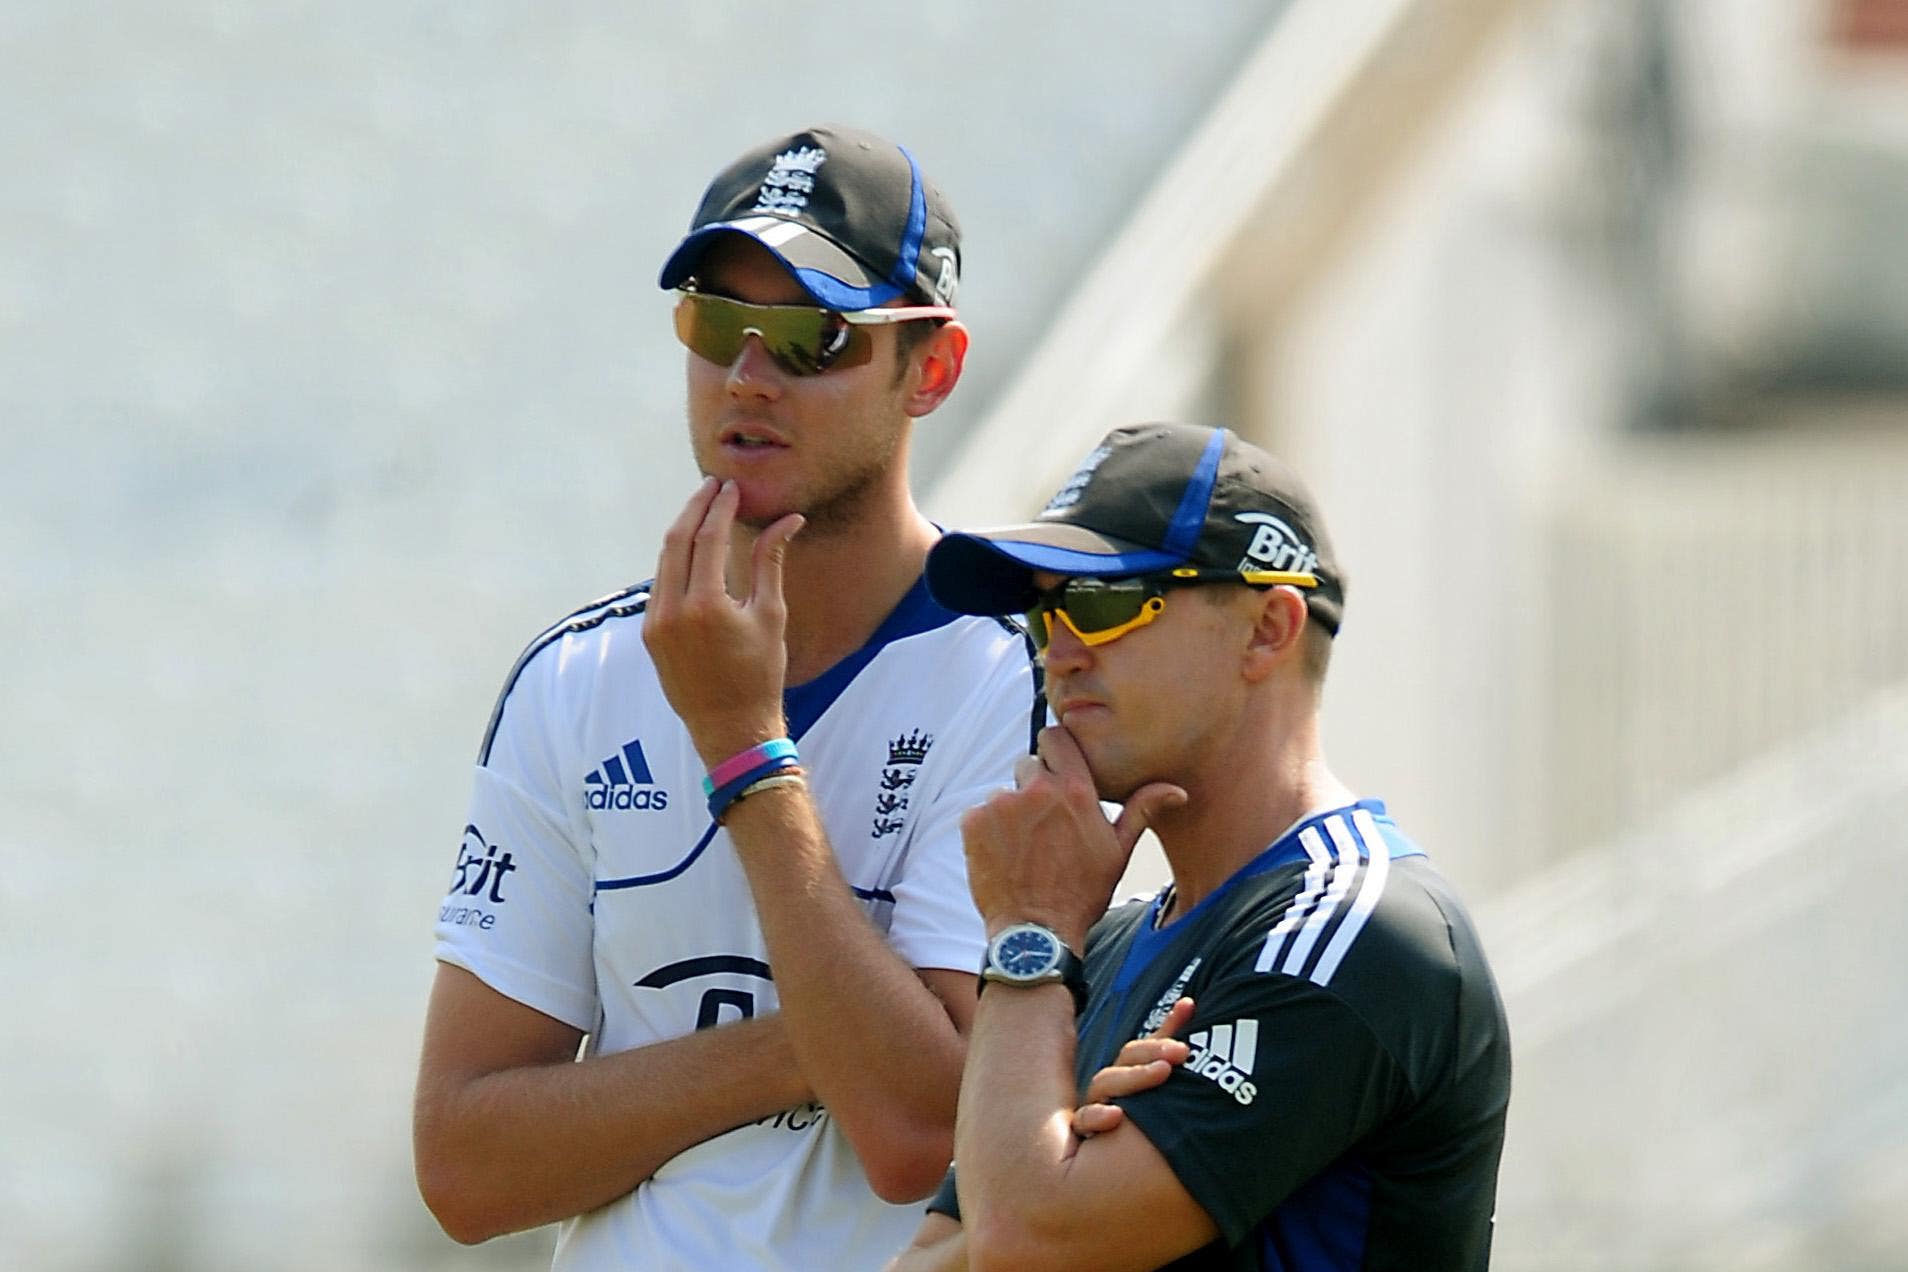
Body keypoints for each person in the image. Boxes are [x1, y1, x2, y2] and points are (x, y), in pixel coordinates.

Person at [412, 124, 1043, 1271]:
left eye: (813, 335)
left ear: (933, 370)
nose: (750, 375)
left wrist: (744, 748)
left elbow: (915, 1133)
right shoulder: (573, 680)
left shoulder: (1015, 676)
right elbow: (465, 1167)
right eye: (716, 324)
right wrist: (822, 1042)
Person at [892, 421, 1512, 1271]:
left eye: (1101, 603)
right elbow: (939, 1255)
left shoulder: (1359, 931)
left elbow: (1022, 1243)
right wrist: (1054, 1166)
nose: (1059, 653)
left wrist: (1027, 933)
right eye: (1043, 612)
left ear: (1268, 629)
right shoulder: (1100, 944)